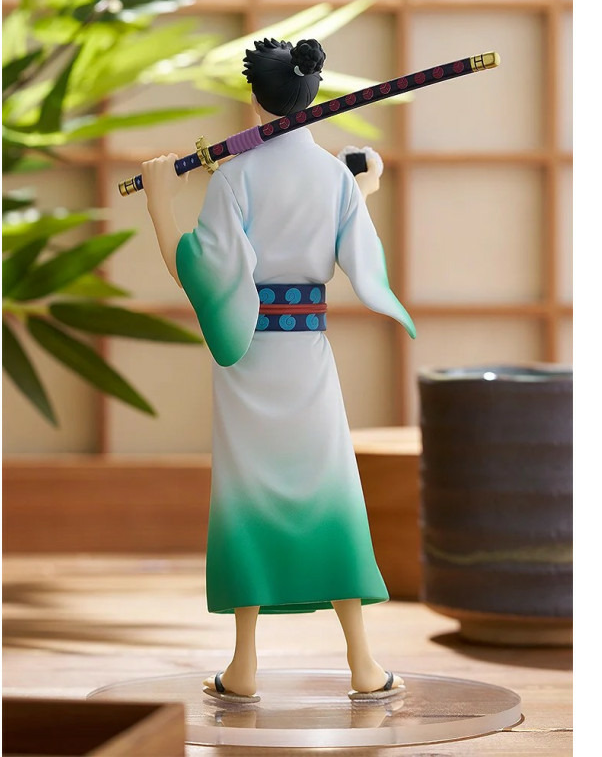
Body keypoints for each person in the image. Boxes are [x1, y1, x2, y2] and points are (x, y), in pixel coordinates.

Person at [141, 37, 416, 703]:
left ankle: (243, 667)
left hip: (251, 355)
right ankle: (363, 663)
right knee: (331, 485)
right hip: (308, 355)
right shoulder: (331, 175)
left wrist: (158, 201)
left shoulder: (235, 176)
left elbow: (198, 275)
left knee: (246, 495)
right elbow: (346, 237)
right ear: (311, 94)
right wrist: (363, 187)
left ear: (255, 99)